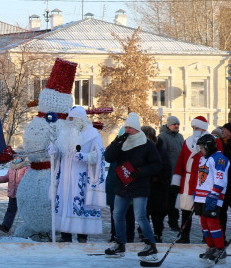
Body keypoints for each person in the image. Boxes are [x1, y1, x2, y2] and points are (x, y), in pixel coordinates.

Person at [103, 113, 162, 258]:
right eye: (126, 127)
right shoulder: (122, 142)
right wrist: (117, 142)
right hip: (123, 185)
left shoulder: (146, 144)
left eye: (130, 127)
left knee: (140, 215)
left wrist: (141, 171)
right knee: (117, 214)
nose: (127, 130)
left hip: (139, 185)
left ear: (136, 129)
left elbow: (157, 164)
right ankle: (120, 243)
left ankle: (150, 245)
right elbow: (108, 157)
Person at [47, 106, 105, 242]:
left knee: (80, 206)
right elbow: (60, 152)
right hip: (65, 178)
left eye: (73, 118)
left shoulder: (93, 135)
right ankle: (65, 235)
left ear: (80, 119)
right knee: (64, 205)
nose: (70, 121)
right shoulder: (64, 134)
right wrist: (53, 150)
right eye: (69, 118)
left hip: (81, 179)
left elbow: (100, 155)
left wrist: (84, 157)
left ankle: (82, 236)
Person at [171, 116, 222, 243]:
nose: (195, 130)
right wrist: (176, 180)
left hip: (204, 179)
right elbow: (181, 161)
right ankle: (184, 235)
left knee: (205, 210)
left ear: (204, 128)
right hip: (188, 179)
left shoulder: (215, 141)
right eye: (193, 128)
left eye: (197, 128)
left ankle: (207, 237)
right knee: (186, 209)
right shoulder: (187, 141)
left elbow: (218, 161)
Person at [193, 134, 229, 263]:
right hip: (201, 197)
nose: (200, 149)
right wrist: (195, 195)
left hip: (212, 196)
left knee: (212, 222)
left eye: (202, 147)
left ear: (208, 146)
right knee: (204, 223)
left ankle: (220, 249)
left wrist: (214, 193)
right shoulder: (203, 159)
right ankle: (211, 247)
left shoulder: (219, 159)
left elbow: (221, 179)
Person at [142, 126, 171, 243]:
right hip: (145, 185)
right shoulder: (143, 148)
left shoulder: (159, 150)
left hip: (158, 187)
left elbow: (166, 169)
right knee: (144, 212)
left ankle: (158, 233)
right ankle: (144, 232)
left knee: (157, 214)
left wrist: (157, 178)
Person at [0, 147, 28, 235]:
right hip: (12, 194)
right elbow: (6, 177)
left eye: (18, 156)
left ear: (22, 157)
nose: (16, 158)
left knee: (26, 212)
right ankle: (5, 226)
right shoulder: (12, 167)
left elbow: (27, 180)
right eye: (14, 156)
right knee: (10, 210)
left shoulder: (26, 167)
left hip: (22, 194)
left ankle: (31, 227)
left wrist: (24, 189)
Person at [159, 116, 184, 231]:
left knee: (174, 200)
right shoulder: (163, 137)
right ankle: (164, 222)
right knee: (167, 200)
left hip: (178, 174)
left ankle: (173, 222)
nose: (177, 126)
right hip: (168, 175)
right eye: (174, 124)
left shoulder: (180, 137)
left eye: (178, 124)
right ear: (168, 125)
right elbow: (162, 156)